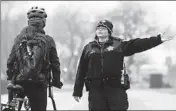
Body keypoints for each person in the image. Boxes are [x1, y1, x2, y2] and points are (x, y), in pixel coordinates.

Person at [73, 19, 174, 110]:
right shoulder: (89, 47)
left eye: (103, 28)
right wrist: (77, 91)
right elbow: (82, 69)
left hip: (116, 89)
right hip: (96, 91)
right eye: (98, 28)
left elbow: (138, 44)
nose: (100, 30)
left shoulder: (118, 45)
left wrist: (158, 39)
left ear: (109, 32)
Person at [6, 6, 62, 111]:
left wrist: (10, 78)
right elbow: (55, 63)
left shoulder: (19, 38)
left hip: (19, 82)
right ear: (43, 22)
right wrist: (56, 81)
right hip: (39, 83)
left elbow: (10, 60)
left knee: (13, 107)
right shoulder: (48, 40)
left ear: (29, 22)